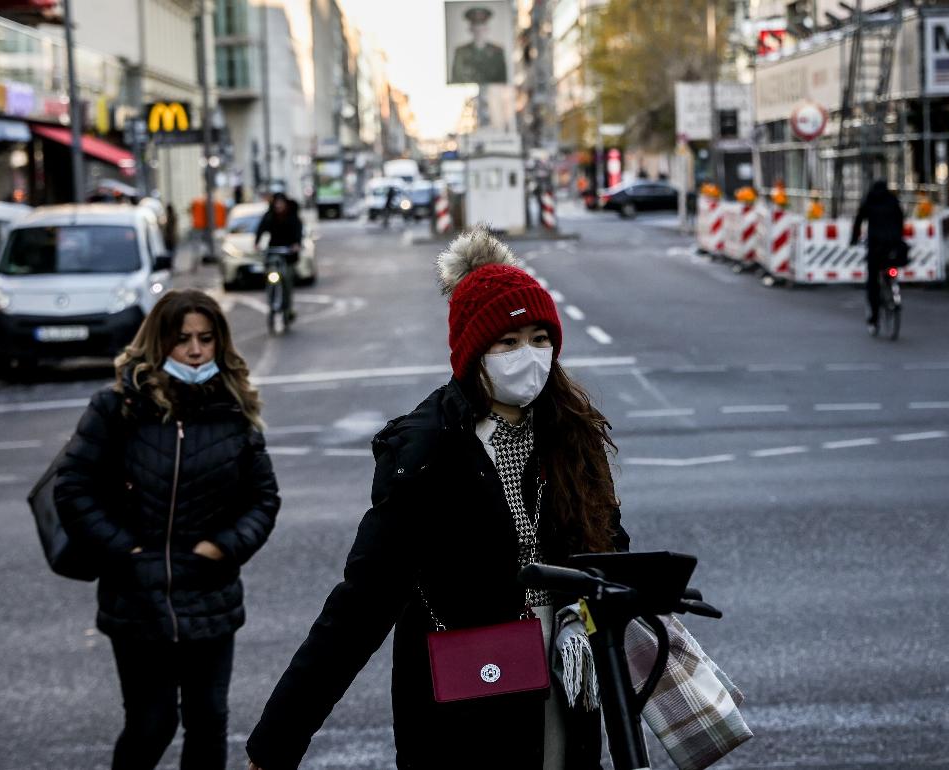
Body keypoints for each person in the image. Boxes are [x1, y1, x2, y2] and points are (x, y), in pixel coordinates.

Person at [245, 226, 630, 770]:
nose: (530, 357)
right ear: (473, 354)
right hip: (468, 697)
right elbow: (363, 601)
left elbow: (607, 547)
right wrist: (278, 737)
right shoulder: (427, 450)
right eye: (509, 342)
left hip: (567, 671)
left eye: (541, 339)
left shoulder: (570, 432)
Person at [55, 288, 281, 770]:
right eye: (182, 340)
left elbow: (263, 500)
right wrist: (128, 553)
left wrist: (222, 547)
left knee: (208, 721)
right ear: (159, 343)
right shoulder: (116, 408)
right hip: (137, 595)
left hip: (210, 592)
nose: (196, 351)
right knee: (150, 724)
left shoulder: (234, 410)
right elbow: (72, 490)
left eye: (205, 339)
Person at [850, 180, 904, 333]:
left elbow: (859, 219)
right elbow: (901, 219)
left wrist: (854, 239)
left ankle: (874, 318)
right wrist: (898, 238)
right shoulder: (892, 200)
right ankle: (894, 288)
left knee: (873, 282)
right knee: (891, 268)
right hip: (892, 247)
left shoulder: (870, 201)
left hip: (875, 247)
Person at [255, 193, 303, 319]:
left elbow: (298, 232)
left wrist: (296, 245)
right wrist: (257, 243)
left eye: (281, 202)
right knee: (270, 274)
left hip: (287, 254)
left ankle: (288, 309)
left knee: (287, 278)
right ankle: (271, 298)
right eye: (276, 202)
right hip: (273, 251)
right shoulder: (269, 216)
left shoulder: (292, 217)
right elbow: (261, 229)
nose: (278, 205)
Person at [449, 6, 508, 83]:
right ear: (470, 29)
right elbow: (456, 80)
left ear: (487, 29)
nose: (479, 33)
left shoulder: (498, 52)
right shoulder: (460, 52)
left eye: (482, 29)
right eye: (476, 29)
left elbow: (502, 81)